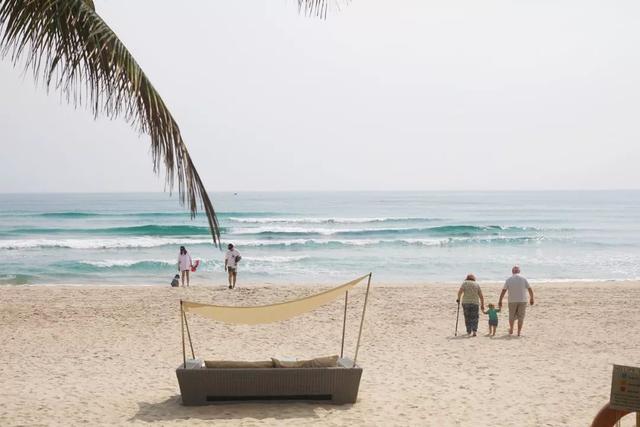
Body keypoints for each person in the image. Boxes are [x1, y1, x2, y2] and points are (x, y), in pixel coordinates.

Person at [498, 265, 535, 336]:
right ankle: (518, 332)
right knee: (521, 317)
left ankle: (511, 329)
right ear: (519, 271)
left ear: (512, 271)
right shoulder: (523, 279)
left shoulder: (509, 279)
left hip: (512, 301)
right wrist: (531, 298)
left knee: (511, 316)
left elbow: (504, 290)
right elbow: (529, 289)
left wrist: (500, 300)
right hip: (522, 300)